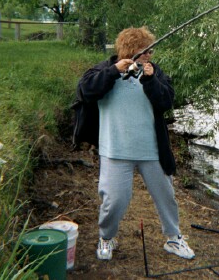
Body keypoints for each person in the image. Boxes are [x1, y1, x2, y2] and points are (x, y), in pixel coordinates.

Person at [76, 26, 194, 261]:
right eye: (145, 50)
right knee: (114, 200)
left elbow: (166, 102)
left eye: (151, 50)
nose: (149, 55)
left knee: (166, 197)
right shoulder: (103, 71)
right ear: (130, 50)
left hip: (152, 151)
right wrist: (113, 72)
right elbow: (85, 91)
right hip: (115, 150)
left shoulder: (155, 73)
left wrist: (150, 80)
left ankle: (174, 238)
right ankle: (107, 238)